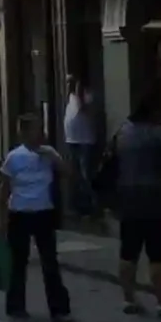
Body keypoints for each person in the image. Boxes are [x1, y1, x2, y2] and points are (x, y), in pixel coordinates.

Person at [109, 90, 161, 318]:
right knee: (158, 254)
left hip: (128, 197)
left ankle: (128, 298)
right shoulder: (159, 133)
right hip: (157, 198)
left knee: (128, 252)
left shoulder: (123, 132)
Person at [0, 113, 72, 322]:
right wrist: (3, 221)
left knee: (50, 262)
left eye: (41, 129)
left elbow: (68, 173)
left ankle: (58, 309)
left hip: (44, 213)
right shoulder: (14, 157)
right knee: (18, 262)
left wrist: (55, 159)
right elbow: (4, 189)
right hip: (20, 213)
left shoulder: (48, 153)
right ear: (23, 133)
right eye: (34, 130)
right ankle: (16, 306)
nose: (39, 134)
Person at [62, 75, 100, 219]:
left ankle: (93, 205)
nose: (68, 86)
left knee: (86, 174)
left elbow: (85, 109)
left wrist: (79, 92)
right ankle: (78, 205)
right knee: (75, 174)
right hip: (72, 140)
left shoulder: (87, 96)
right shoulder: (71, 97)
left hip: (85, 141)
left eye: (71, 83)